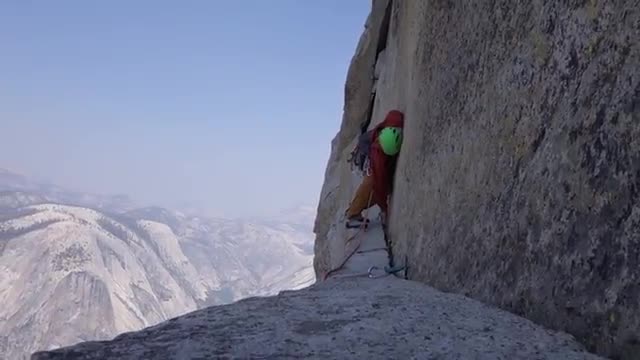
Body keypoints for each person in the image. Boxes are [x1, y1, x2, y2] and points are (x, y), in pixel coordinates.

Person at [345, 109, 404, 228]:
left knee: (374, 184)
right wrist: (384, 207)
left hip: (369, 153)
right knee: (372, 183)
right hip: (367, 158)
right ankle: (353, 214)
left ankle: (353, 211)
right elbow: (379, 184)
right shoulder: (377, 152)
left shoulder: (388, 129)